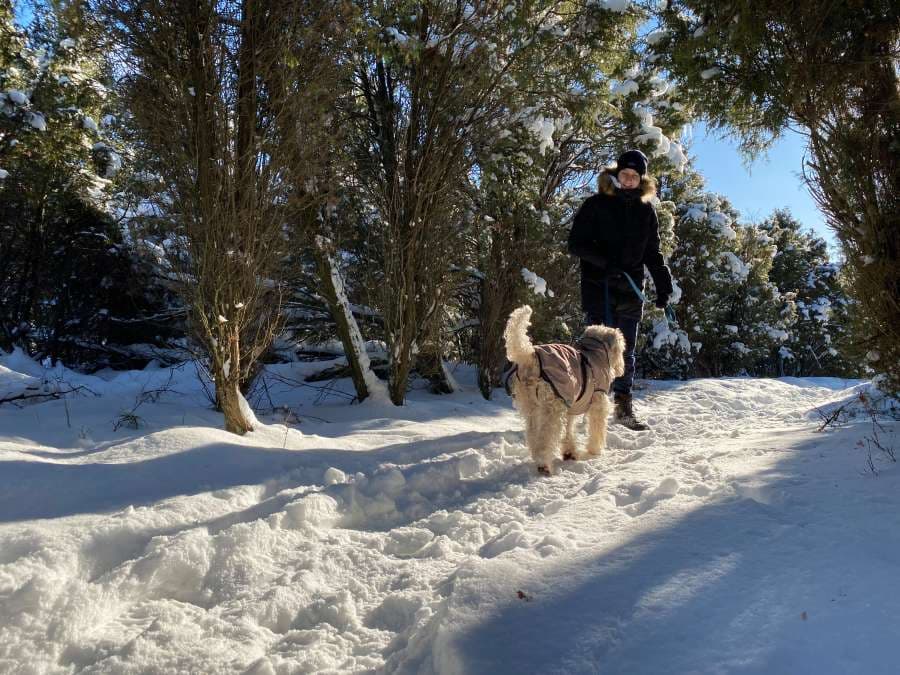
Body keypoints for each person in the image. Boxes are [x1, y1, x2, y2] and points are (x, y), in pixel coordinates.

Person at [567, 149, 673, 431]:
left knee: (625, 351)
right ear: (616, 175)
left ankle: (623, 406)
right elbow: (575, 243)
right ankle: (590, 403)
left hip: (630, 289)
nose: (628, 180)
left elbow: (653, 253)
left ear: (641, 180)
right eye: (624, 174)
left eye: (634, 176)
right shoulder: (596, 205)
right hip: (597, 287)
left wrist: (664, 287)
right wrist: (605, 262)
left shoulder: (646, 211)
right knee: (596, 350)